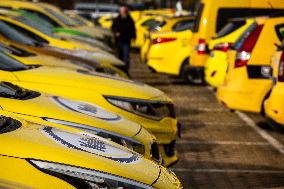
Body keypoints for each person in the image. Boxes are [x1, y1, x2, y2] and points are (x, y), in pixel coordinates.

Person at [111, 6, 136, 74]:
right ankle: (120, 71)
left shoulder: (130, 19)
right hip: (119, 41)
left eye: (124, 11)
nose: (123, 12)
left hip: (126, 41)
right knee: (119, 56)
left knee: (126, 57)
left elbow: (133, 29)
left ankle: (126, 71)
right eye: (122, 11)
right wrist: (116, 32)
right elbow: (113, 28)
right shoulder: (117, 19)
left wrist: (133, 37)